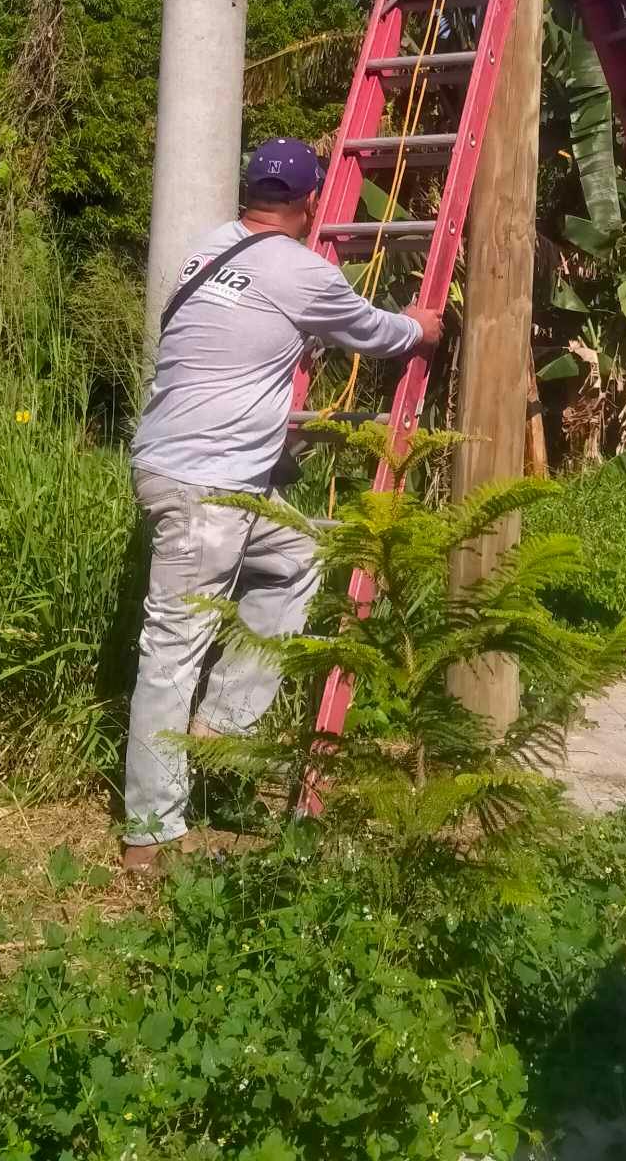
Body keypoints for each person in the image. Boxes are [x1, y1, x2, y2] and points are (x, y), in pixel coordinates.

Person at [122, 136, 443, 872]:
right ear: (308, 204)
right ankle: (150, 835)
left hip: (177, 467)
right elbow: (378, 333)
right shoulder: (301, 270)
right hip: (208, 487)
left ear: (249, 193)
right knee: (170, 655)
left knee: (297, 554)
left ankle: (223, 723)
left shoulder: (210, 249)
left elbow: (232, 338)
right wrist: (420, 327)